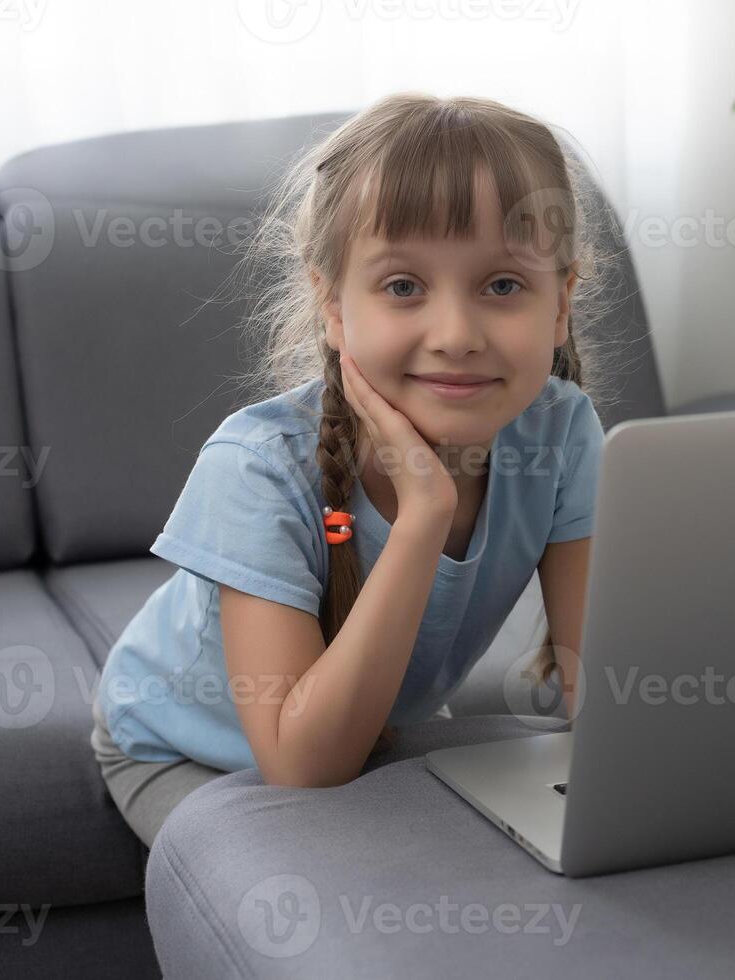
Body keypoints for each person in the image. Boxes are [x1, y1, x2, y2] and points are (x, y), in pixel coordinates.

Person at [90, 92, 620, 847]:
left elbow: (599, 701)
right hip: (193, 751)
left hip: (370, 722)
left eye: (502, 285)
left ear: (560, 303)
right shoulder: (258, 470)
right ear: (333, 305)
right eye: (404, 287)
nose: (456, 335)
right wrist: (423, 516)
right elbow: (303, 768)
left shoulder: (561, 432)